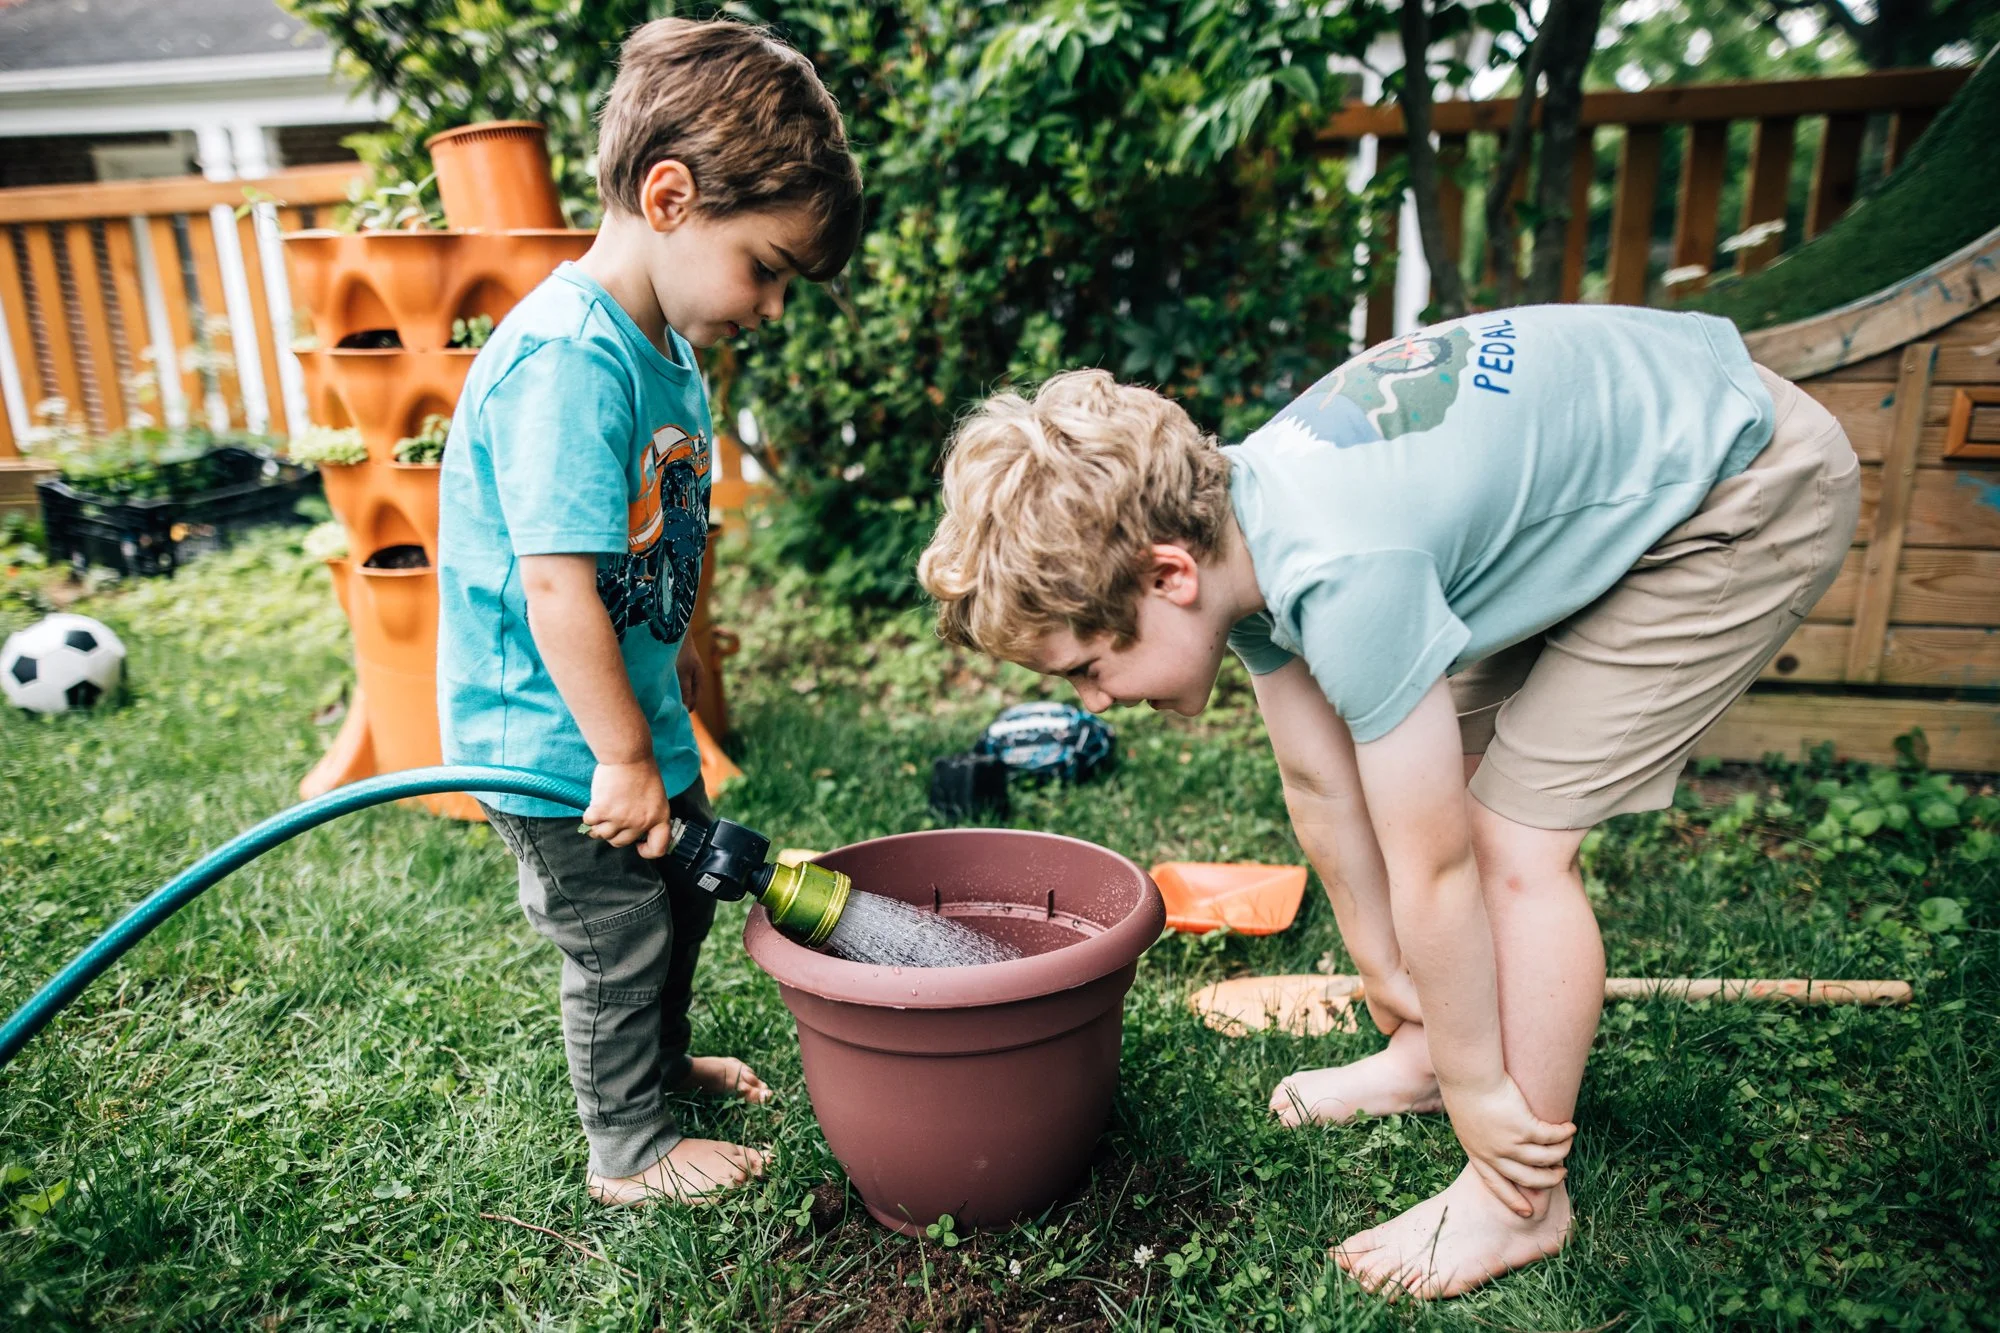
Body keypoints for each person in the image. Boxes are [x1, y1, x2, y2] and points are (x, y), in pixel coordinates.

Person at [915, 304, 1859, 1295]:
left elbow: (1438, 866)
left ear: (1166, 574)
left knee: (1508, 841)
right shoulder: (1236, 526)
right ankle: (1423, 1047)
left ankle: (1515, 1192)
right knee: (1424, 771)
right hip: (1642, 459)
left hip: (1738, 489)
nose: (1096, 699)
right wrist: (1389, 977)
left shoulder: (1343, 568)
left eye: (1092, 667)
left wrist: (1476, 1085)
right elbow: (1320, 780)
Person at [437, 16, 862, 1206]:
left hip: (626, 724)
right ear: (669, 196)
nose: (772, 305)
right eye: (767, 265)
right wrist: (620, 752)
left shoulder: (659, 346)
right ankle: (626, 1146)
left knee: (674, 904)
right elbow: (556, 580)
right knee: (617, 933)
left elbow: (638, 552)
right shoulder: (569, 360)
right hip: (559, 745)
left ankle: (661, 1067)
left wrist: (655, 696)